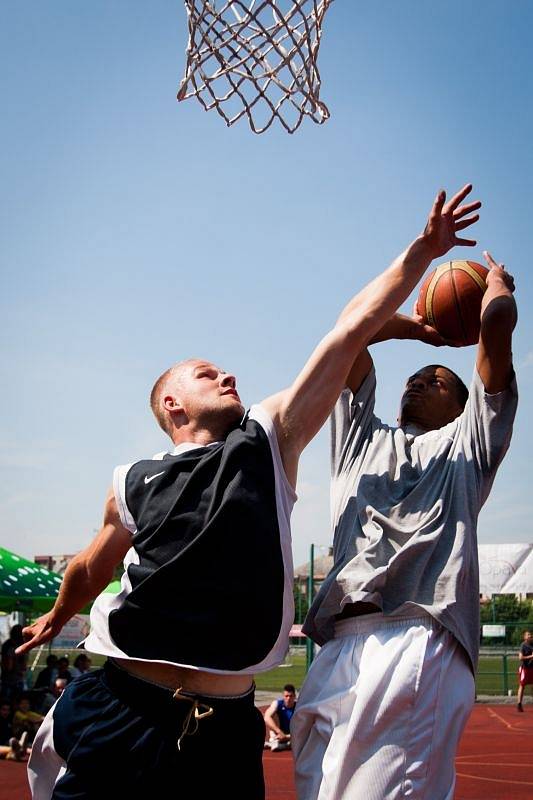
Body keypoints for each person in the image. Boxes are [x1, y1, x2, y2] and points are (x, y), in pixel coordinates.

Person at [18, 184, 480, 800]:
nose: (228, 374)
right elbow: (91, 564)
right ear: (172, 403)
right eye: (208, 373)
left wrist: (423, 251)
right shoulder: (134, 477)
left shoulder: (269, 438)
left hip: (224, 730)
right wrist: (57, 613)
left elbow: (349, 331)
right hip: (124, 706)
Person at [292, 248, 517, 799]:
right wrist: (414, 329)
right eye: (413, 379)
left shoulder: (469, 444)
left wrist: (495, 289)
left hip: (417, 635)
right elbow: (351, 331)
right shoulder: (359, 440)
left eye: (435, 381)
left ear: (464, 404)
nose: (417, 383)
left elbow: (494, 330)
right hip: (338, 642)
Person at [264, 684, 297, 751]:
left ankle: (273, 744)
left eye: (291, 696)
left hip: (292, 735)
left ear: (294, 697)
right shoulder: (277, 704)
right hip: (278, 733)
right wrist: (279, 732)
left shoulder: (298, 706)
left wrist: (287, 736)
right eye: (286, 696)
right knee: (273, 715)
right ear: (283, 696)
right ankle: (277, 741)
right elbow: (266, 717)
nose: (288, 698)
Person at [1, 625, 27, 700]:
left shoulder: (7, 645)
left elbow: (9, 667)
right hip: (13, 679)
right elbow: (22, 666)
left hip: (10, 679)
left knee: (7, 702)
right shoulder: (17, 646)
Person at [517, 630, 533, 712]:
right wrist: (531, 656)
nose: (530, 636)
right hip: (525, 668)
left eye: (531, 635)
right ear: (525, 637)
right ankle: (519, 703)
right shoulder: (523, 645)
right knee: (522, 685)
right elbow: (520, 657)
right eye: (528, 635)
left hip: (532, 668)